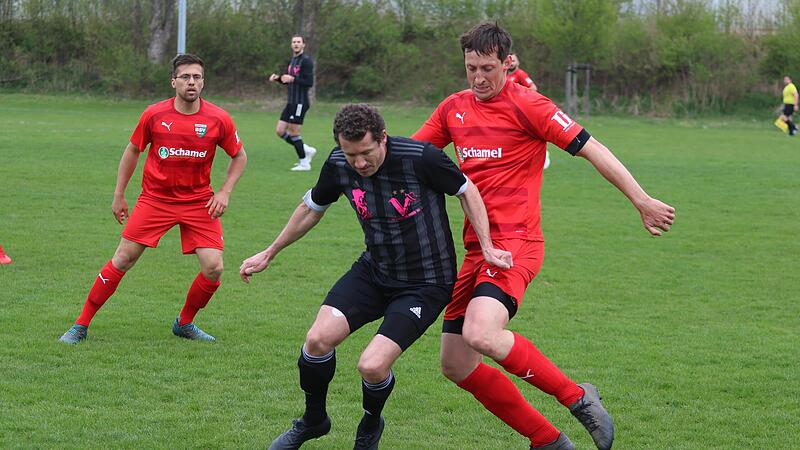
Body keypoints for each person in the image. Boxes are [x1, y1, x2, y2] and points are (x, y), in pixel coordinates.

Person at [413, 22, 675, 450]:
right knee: (456, 364)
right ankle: (547, 440)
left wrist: (641, 199)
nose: (478, 78)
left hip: (517, 244)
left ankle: (577, 397)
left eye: (488, 68)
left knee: (481, 334)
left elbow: (593, 148)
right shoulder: (452, 109)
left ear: (506, 62)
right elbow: (411, 155)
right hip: (476, 249)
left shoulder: (528, 105)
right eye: (471, 68)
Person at [239, 104, 511, 450]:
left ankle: (370, 422)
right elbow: (311, 208)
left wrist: (487, 245)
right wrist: (269, 252)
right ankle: (313, 421)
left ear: (383, 138)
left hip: (425, 283)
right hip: (374, 271)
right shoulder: (339, 163)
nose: (360, 163)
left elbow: (466, 190)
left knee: (371, 365)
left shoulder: (421, 158)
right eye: (352, 154)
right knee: (317, 340)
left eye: (366, 153)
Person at [59, 54, 248, 345]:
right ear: (173, 81)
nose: (191, 82)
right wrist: (119, 195)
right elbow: (133, 151)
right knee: (123, 259)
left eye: (197, 77)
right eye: (185, 77)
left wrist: (225, 192)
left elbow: (239, 156)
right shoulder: (154, 115)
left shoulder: (218, 119)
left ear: (203, 82)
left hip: (199, 202)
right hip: (155, 200)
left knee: (214, 267)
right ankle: (80, 325)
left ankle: (184, 323)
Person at [269, 35, 317, 171]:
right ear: (291, 45)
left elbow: (309, 82)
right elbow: (289, 80)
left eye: (298, 42)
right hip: (291, 102)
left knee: (294, 132)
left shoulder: (306, 61)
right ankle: (306, 149)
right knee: (280, 131)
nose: (296, 44)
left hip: (300, 102)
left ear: (303, 45)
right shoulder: (293, 61)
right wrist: (278, 79)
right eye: (294, 42)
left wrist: (293, 79)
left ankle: (304, 163)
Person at [507, 52, 550, 168]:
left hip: (520, 110)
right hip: (509, 112)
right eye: (509, 61)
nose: (511, 64)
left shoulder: (520, 74)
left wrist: (522, 101)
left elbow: (533, 88)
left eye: (514, 61)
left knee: (529, 132)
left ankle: (544, 154)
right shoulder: (504, 75)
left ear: (518, 62)